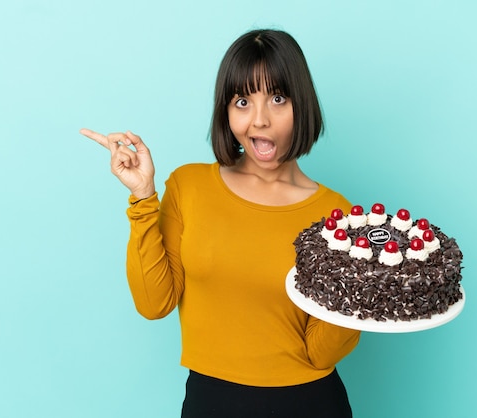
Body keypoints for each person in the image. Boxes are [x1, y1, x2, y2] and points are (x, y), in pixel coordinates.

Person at [81, 29, 361, 418]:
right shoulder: (188, 186)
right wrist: (143, 197)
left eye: (278, 98)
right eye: (242, 101)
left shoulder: (338, 217)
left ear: (302, 104)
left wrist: (363, 291)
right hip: (210, 402)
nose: (259, 120)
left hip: (309, 402)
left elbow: (322, 351)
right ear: (225, 110)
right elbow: (154, 304)